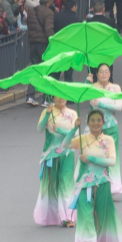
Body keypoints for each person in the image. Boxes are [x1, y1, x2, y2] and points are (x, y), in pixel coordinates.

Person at [69, 110, 122, 242]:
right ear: (88, 123)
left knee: (102, 218)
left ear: (103, 122)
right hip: (84, 185)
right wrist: (74, 129)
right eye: (92, 120)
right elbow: (65, 144)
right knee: (86, 218)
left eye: (98, 120)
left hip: (102, 183)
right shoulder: (82, 139)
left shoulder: (108, 140)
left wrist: (91, 158)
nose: (95, 123)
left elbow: (111, 161)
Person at [34, 97, 78, 227]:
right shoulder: (47, 112)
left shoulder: (72, 113)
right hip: (51, 154)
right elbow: (40, 128)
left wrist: (59, 130)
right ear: (52, 98)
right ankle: (50, 216)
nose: (61, 99)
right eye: (57, 96)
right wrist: (47, 113)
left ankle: (68, 217)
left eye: (63, 96)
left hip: (67, 153)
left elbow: (74, 134)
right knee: (50, 186)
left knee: (67, 185)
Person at [88, 63, 122, 194]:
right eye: (101, 71)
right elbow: (83, 97)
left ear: (110, 74)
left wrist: (101, 103)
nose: (104, 74)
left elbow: (118, 107)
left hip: (111, 128)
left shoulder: (116, 88)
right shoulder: (92, 88)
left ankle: (113, 187)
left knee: (111, 158)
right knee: (94, 157)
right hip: (95, 129)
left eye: (106, 71)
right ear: (97, 74)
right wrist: (86, 83)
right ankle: (95, 186)